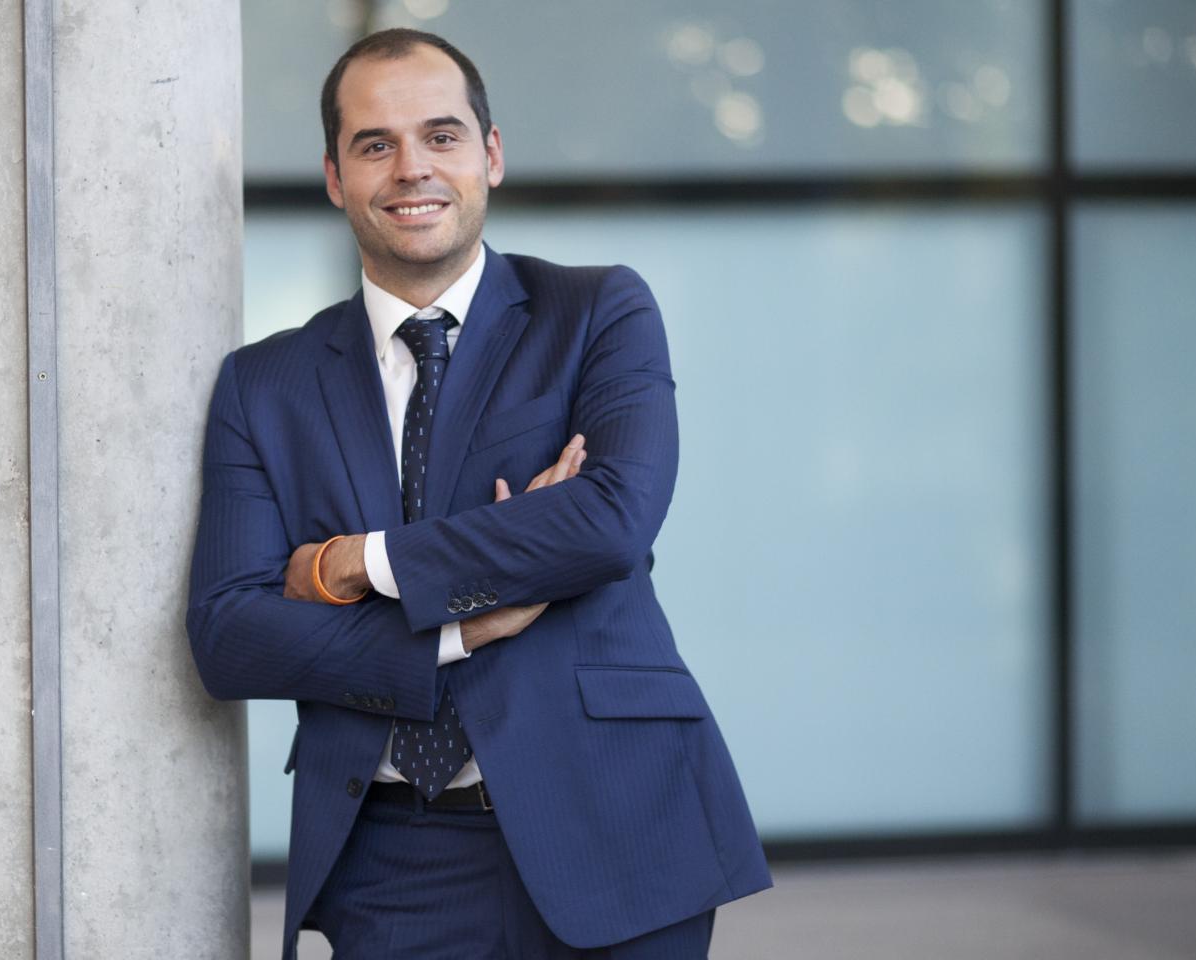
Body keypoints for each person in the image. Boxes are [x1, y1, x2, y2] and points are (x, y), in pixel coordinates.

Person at [187, 27, 771, 959]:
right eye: (375, 145)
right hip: (390, 855)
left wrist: (355, 563)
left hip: (615, 823)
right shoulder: (266, 385)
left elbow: (607, 521)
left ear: (491, 155)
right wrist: (463, 619)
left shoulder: (598, 313)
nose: (411, 168)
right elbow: (228, 636)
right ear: (335, 176)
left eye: (442, 136)